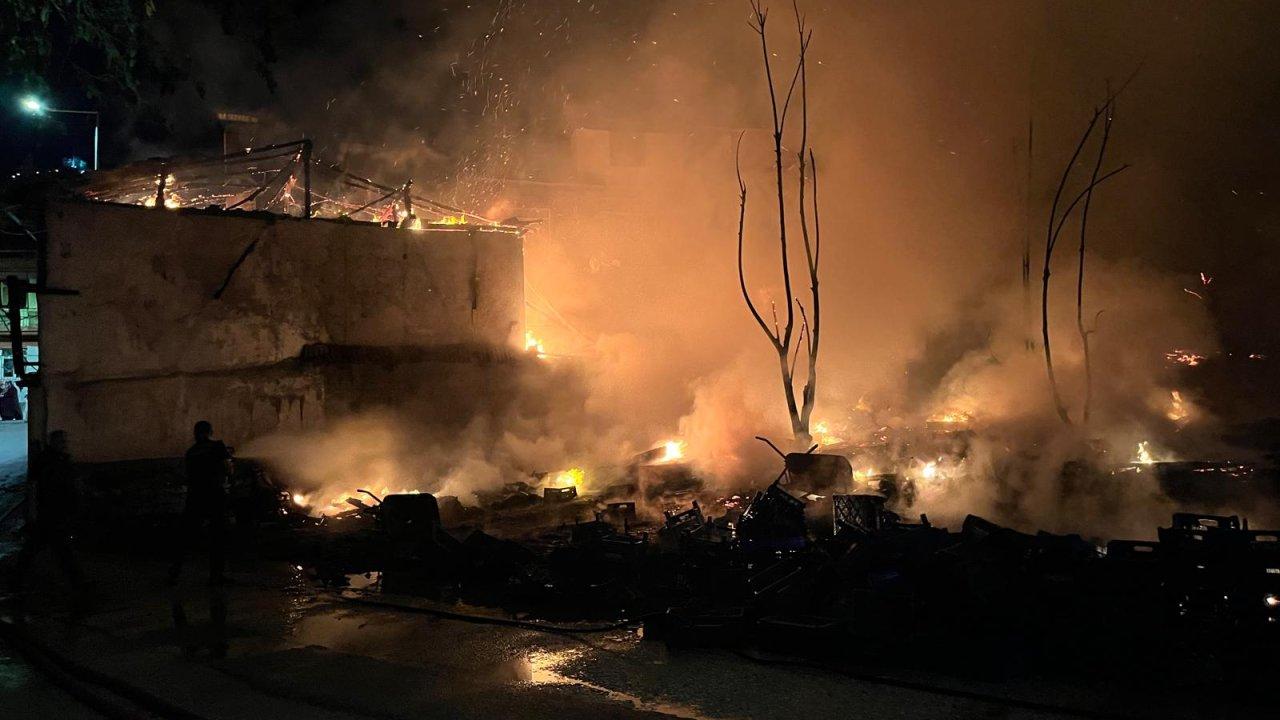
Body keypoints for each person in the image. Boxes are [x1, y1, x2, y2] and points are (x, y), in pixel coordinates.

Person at [14, 430, 85, 594]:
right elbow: (33, 485)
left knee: (47, 548)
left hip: (56, 512)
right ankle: (77, 583)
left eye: (64, 442)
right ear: (53, 442)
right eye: (61, 442)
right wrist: (33, 509)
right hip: (49, 512)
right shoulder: (46, 461)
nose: (64, 444)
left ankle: (18, 580)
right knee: (57, 549)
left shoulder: (60, 460)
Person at [168, 420, 233, 585]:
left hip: (195, 496)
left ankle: (175, 571)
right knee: (217, 536)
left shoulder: (191, 452)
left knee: (185, 534)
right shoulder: (217, 446)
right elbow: (227, 469)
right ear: (211, 432)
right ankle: (216, 576)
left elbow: (189, 475)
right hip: (215, 496)